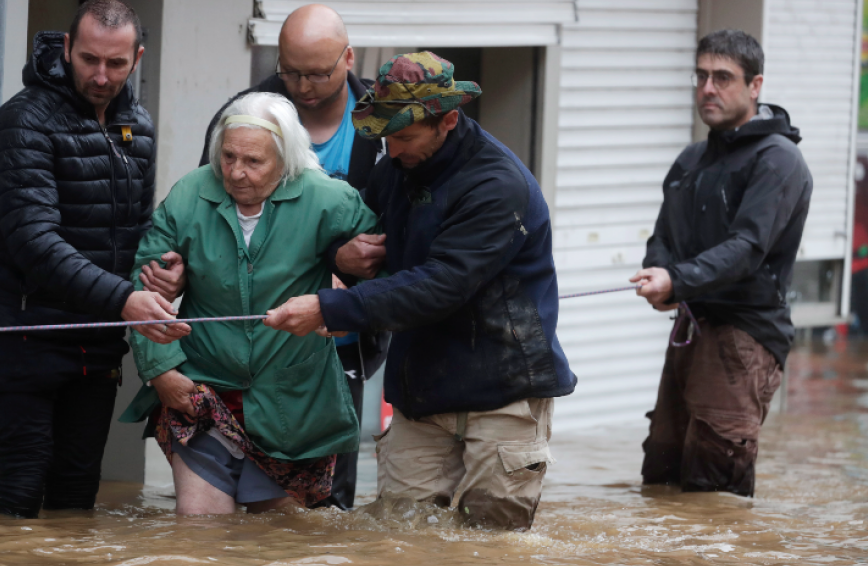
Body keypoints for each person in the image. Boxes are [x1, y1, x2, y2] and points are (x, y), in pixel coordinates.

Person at [265, 52, 576, 530]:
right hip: (422, 389)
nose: (391, 150)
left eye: (405, 136)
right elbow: (349, 234)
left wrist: (331, 306)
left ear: (448, 120)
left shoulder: (498, 185)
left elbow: (440, 284)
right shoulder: (395, 167)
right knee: (399, 537)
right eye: (385, 136)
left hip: (505, 391)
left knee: (492, 547)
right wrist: (340, 258)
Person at [145, 3, 388, 510]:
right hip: (207, 383)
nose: (236, 172)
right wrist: (161, 368)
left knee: (291, 544)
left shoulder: (340, 180)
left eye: (253, 162)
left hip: (301, 385)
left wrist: (346, 290)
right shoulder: (196, 188)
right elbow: (145, 285)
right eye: (229, 158)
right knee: (198, 539)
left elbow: (385, 253)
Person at [0, 0, 186, 519]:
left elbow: (136, 231)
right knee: (23, 484)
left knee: (77, 490)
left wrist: (162, 269)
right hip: (25, 330)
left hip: (96, 337)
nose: (100, 75)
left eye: (115, 64)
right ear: (66, 48)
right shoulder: (23, 120)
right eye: (89, 59)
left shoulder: (137, 123)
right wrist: (125, 298)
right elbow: (34, 243)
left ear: (136, 58)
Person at [631, 30, 812, 497]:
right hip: (691, 329)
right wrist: (660, 275)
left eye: (723, 77)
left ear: (755, 86)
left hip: (744, 339)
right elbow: (663, 236)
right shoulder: (691, 159)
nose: (708, 88)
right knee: (661, 476)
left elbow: (747, 248)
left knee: (714, 496)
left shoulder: (779, 160)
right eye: (702, 76)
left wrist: (676, 280)